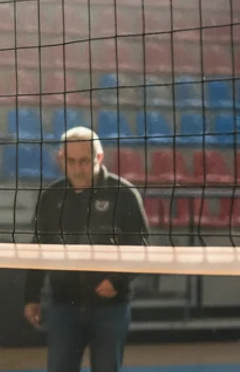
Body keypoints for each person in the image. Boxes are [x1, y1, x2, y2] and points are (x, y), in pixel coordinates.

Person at [23, 126, 150, 372]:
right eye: (71, 161)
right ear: (61, 159)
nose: (77, 168)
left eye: (83, 161)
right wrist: (31, 297)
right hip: (63, 305)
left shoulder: (123, 193)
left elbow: (141, 246)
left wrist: (117, 281)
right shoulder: (51, 196)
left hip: (110, 306)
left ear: (98, 158)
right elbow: (39, 247)